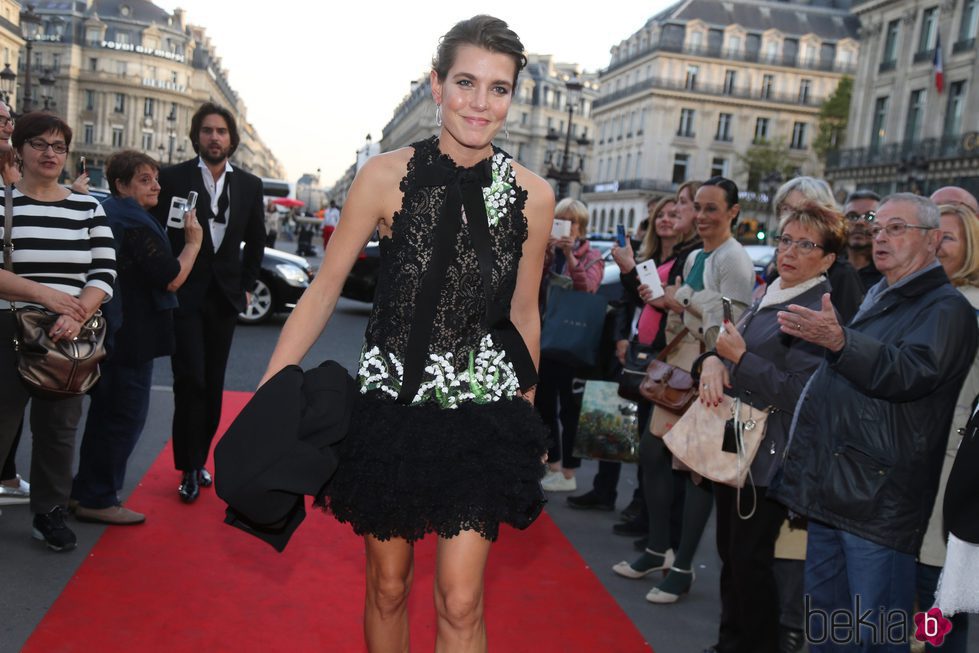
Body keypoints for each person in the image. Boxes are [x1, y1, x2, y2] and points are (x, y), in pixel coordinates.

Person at [258, 16, 553, 652]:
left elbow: (525, 314)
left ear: (512, 97)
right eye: (467, 83)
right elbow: (324, 287)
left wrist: (526, 419)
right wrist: (273, 382)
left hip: (485, 412)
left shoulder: (535, 195)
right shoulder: (382, 176)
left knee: (461, 597)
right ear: (437, 84)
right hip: (391, 406)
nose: (480, 103)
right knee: (389, 585)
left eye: (498, 89)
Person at [770, 193, 978, 651]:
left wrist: (841, 342)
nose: (880, 236)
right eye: (877, 227)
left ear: (932, 240)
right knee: (829, 627)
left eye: (896, 228)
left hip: (877, 499)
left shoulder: (948, 309)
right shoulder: (883, 295)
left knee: (876, 633)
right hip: (839, 491)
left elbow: (909, 373)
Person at [698, 202, 844, 653]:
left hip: (771, 453)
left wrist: (740, 360)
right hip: (739, 440)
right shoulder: (774, 290)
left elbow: (800, 392)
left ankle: (756, 645)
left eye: (806, 244)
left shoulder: (813, 309)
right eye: (786, 240)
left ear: (828, 259)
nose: (790, 251)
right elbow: (732, 348)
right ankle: (730, 642)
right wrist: (712, 362)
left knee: (749, 560)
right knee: (731, 555)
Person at [622, 177, 755, 605]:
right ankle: (658, 549)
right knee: (652, 453)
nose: (701, 216)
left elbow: (731, 327)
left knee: (697, 469)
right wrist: (674, 301)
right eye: (698, 207)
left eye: (711, 208)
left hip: (714, 373)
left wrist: (685, 300)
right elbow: (691, 308)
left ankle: (681, 568)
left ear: (733, 212)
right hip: (682, 367)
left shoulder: (735, 259)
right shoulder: (698, 253)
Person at [0, 112, 116, 551]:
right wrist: (48, 297)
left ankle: (48, 513)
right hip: (7, 326)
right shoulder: (3, 200)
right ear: (20, 149)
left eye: (59, 146)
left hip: (69, 334)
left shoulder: (88, 206)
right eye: (39, 144)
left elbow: (104, 271)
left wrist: (79, 313)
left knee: (59, 428)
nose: (50, 154)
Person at [69, 151, 203, 525]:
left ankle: (85, 491)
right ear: (122, 185)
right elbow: (171, 277)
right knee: (123, 417)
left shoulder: (110, 211)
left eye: (156, 178)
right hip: (130, 336)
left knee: (105, 415)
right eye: (145, 179)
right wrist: (193, 243)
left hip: (114, 331)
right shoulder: (133, 221)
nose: (156, 185)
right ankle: (97, 496)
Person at [151, 102, 265, 504]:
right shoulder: (173, 178)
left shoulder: (250, 185)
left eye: (221, 131)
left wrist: (248, 283)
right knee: (190, 380)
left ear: (232, 139)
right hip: (184, 293)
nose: (214, 137)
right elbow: (160, 234)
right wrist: (166, 278)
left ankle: (200, 461)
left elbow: (257, 240)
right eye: (207, 131)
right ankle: (186, 465)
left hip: (225, 298)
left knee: (213, 383)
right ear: (196, 137)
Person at [914, 202, 979, 651]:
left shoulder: (969, 307)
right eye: (933, 234)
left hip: (951, 467)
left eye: (949, 237)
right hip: (919, 459)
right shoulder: (920, 297)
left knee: (942, 598)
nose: (937, 244)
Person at [537, 197, 603, 494]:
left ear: (581, 227)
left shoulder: (593, 256)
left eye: (571, 222)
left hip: (575, 342)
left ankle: (569, 472)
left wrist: (570, 256)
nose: (566, 226)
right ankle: (553, 465)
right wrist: (548, 252)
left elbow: (587, 288)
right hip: (547, 336)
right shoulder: (546, 250)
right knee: (544, 404)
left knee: (571, 410)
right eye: (560, 219)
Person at [773, 176, 863, 323]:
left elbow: (844, 335)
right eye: (785, 209)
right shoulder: (778, 265)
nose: (792, 216)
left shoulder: (842, 275)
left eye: (801, 209)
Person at [0, 104, 29, 506]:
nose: (6, 124)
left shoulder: (15, 170)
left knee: (12, 396)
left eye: (8, 119)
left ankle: (6, 474)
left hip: (13, 308)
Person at [843, 189, 882, 292]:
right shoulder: (826, 268)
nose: (860, 222)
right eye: (852, 216)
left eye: (870, 217)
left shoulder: (889, 274)